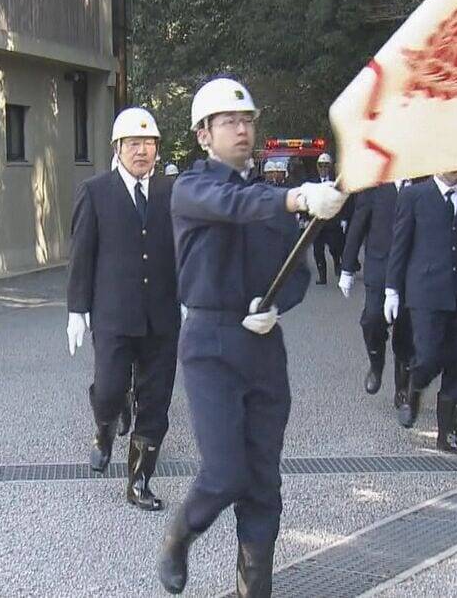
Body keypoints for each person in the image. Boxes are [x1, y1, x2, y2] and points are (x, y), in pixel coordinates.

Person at [157, 78, 346, 596]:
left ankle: (253, 587)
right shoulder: (193, 189)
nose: (242, 129)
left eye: (247, 121)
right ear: (203, 134)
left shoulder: (269, 196)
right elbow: (234, 203)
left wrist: (277, 305)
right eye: (229, 122)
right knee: (224, 473)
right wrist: (298, 197)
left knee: (263, 481)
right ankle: (180, 533)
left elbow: (298, 272)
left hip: (262, 344)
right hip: (210, 343)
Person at [66, 107, 181, 511]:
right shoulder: (95, 191)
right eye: (133, 143)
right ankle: (104, 428)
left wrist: (189, 295)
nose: (142, 151)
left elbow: (186, 248)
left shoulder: (172, 191)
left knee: (156, 401)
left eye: (149, 143)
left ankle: (139, 481)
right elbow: (82, 253)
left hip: (162, 316)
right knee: (110, 390)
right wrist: (77, 309)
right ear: (117, 148)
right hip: (113, 314)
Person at [383, 171, 457, 455]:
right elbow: (400, 244)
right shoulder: (414, 196)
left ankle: (448, 434)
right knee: (427, 355)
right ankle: (414, 388)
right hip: (426, 292)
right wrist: (392, 289)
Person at [339, 180, 414, 400]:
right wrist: (347, 267)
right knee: (372, 319)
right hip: (379, 266)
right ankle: (376, 364)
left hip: (411, 270)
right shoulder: (375, 188)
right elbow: (358, 225)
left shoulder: (423, 185)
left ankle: (403, 387)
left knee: (407, 329)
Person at [311, 153, 347, 284]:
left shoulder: (337, 182)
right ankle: (322, 277)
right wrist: (304, 217)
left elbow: (344, 201)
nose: (323, 168)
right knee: (318, 251)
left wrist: (344, 218)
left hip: (333, 222)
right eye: (321, 165)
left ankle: (337, 262)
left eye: (326, 165)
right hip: (317, 223)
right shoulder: (313, 182)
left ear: (330, 167)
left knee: (335, 248)